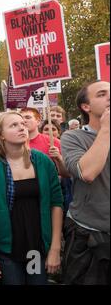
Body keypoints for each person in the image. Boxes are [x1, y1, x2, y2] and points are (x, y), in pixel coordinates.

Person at [0, 111, 63, 285]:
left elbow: (56, 203)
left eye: (22, 124)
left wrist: (55, 248)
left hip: (36, 247)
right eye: (14, 125)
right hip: (7, 250)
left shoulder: (43, 161)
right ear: (1, 135)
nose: (21, 128)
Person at [61, 80, 110, 285]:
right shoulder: (73, 137)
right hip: (88, 235)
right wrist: (106, 129)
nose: (109, 96)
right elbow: (87, 172)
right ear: (86, 106)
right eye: (101, 94)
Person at [20, 107, 69, 178]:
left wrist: (59, 159)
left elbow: (67, 174)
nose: (24, 121)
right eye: (21, 118)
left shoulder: (54, 142)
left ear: (38, 121)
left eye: (28, 117)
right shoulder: (13, 143)